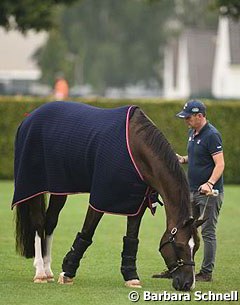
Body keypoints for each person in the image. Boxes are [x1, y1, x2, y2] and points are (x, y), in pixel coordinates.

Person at [153, 100, 225, 282]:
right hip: (191, 192)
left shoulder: (212, 135)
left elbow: (220, 164)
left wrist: (209, 183)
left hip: (209, 194)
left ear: (200, 116)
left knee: (208, 232)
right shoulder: (192, 132)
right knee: (184, 231)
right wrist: (183, 159)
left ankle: (206, 272)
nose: (185, 120)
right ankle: (177, 267)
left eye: (188, 117)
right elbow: (197, 158)